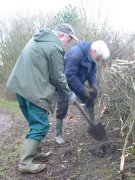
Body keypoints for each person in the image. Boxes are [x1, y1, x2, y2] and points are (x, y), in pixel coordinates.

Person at [6, 23, 78, 173]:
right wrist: (69, 94)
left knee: (35, 123)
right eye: (69, 40)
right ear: (61, 36)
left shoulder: (36, 39)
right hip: (34, 90)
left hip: (20, 87)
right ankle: (25, 163)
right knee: (40, 125)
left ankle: (36, 153)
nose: (68, 43)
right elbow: (57, 76)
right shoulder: (54, 47)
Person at [55, 40, 110, 144]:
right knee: (62, 107)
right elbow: (69, 75)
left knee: (91, 97)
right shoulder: (75, 54)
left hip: (78, 82)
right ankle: (58, 134)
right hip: (64, 83)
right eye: (99, 57)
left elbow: (92, 72)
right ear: (93, 51)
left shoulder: (92, 56)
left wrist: (93, 85)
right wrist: (83, 89)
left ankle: (92, 126)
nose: (98, 59)